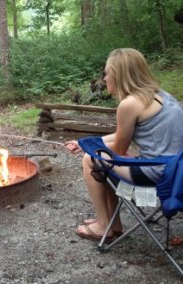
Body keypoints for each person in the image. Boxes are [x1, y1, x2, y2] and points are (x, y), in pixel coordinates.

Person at [65, 48, 183, 242]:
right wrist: (83, 142)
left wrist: (89, 149)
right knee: (100, 158)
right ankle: (113, 222)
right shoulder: (161, 96)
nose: (104, 79)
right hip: (177, 168)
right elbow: (122, 137)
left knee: (90, 160)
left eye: (106, 73)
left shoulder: (129, 104)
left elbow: (118, 151)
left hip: (158, 172)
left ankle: (104, 225)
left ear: (119, 75)